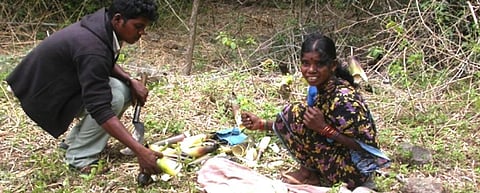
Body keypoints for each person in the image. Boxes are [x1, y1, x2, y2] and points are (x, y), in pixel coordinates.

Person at [6, 0, 162, 175]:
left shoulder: (101, 25)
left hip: (58, 82)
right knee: (113, 99)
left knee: (122, 89)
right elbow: (100, 107)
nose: (142, 33)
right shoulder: (92, 46)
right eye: (138, 26)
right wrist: (140, 150)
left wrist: (129, 79)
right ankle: (79, 158)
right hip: (41, 93)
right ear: (118, 20)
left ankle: (73, 143)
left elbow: (103, 62)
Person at [241, 33, 388, 190]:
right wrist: (262, 124)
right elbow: (303, 125)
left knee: (296, 112)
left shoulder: (344, 100)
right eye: (305, 63)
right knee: (294, 113)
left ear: (333, 66)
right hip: (337, 156)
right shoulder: (319, 90)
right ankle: (310, 174)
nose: (311, 70)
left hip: (355, 172)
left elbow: (368, 149)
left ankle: (312, 175)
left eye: (319, 64)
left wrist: (325, 129)